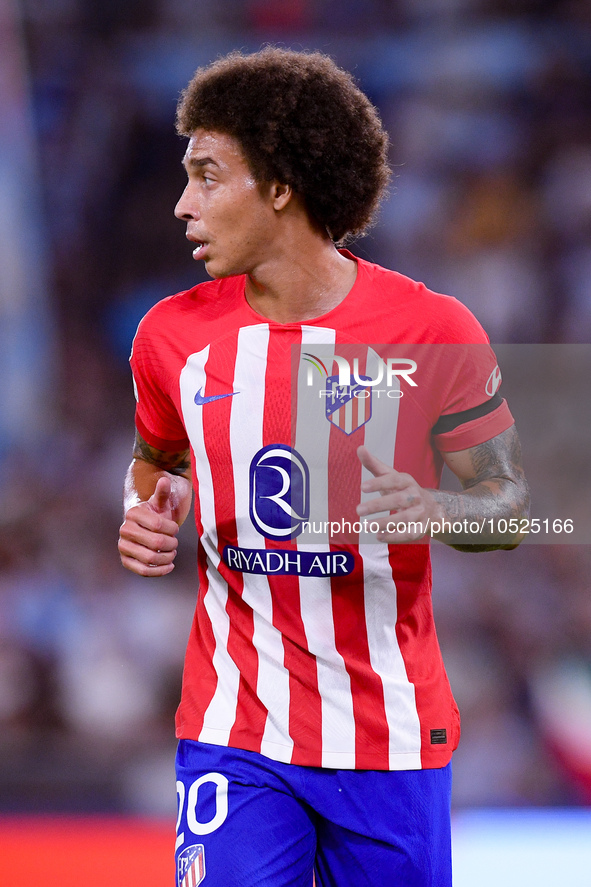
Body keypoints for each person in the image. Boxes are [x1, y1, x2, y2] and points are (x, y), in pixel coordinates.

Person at [118, 48, 529, 887]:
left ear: (279, 187)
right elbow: (155, 464)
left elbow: (509, 507)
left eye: (206, 176)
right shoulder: (170, 336)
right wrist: (147, 515)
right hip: (237, 727)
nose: (181, 204)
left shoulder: (432, 330)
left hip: (389, 737)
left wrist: (437, 510)